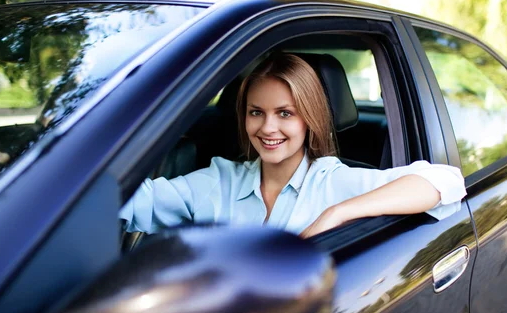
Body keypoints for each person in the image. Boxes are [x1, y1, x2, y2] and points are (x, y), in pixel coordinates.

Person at [119, 53, 466, 238]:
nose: (268, 127)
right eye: (257, 112)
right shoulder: (220, 178)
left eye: (285, 113)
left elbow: (445, 181)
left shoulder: (331, 181)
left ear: (308, 118)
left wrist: (337, 213)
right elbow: (137, 202)